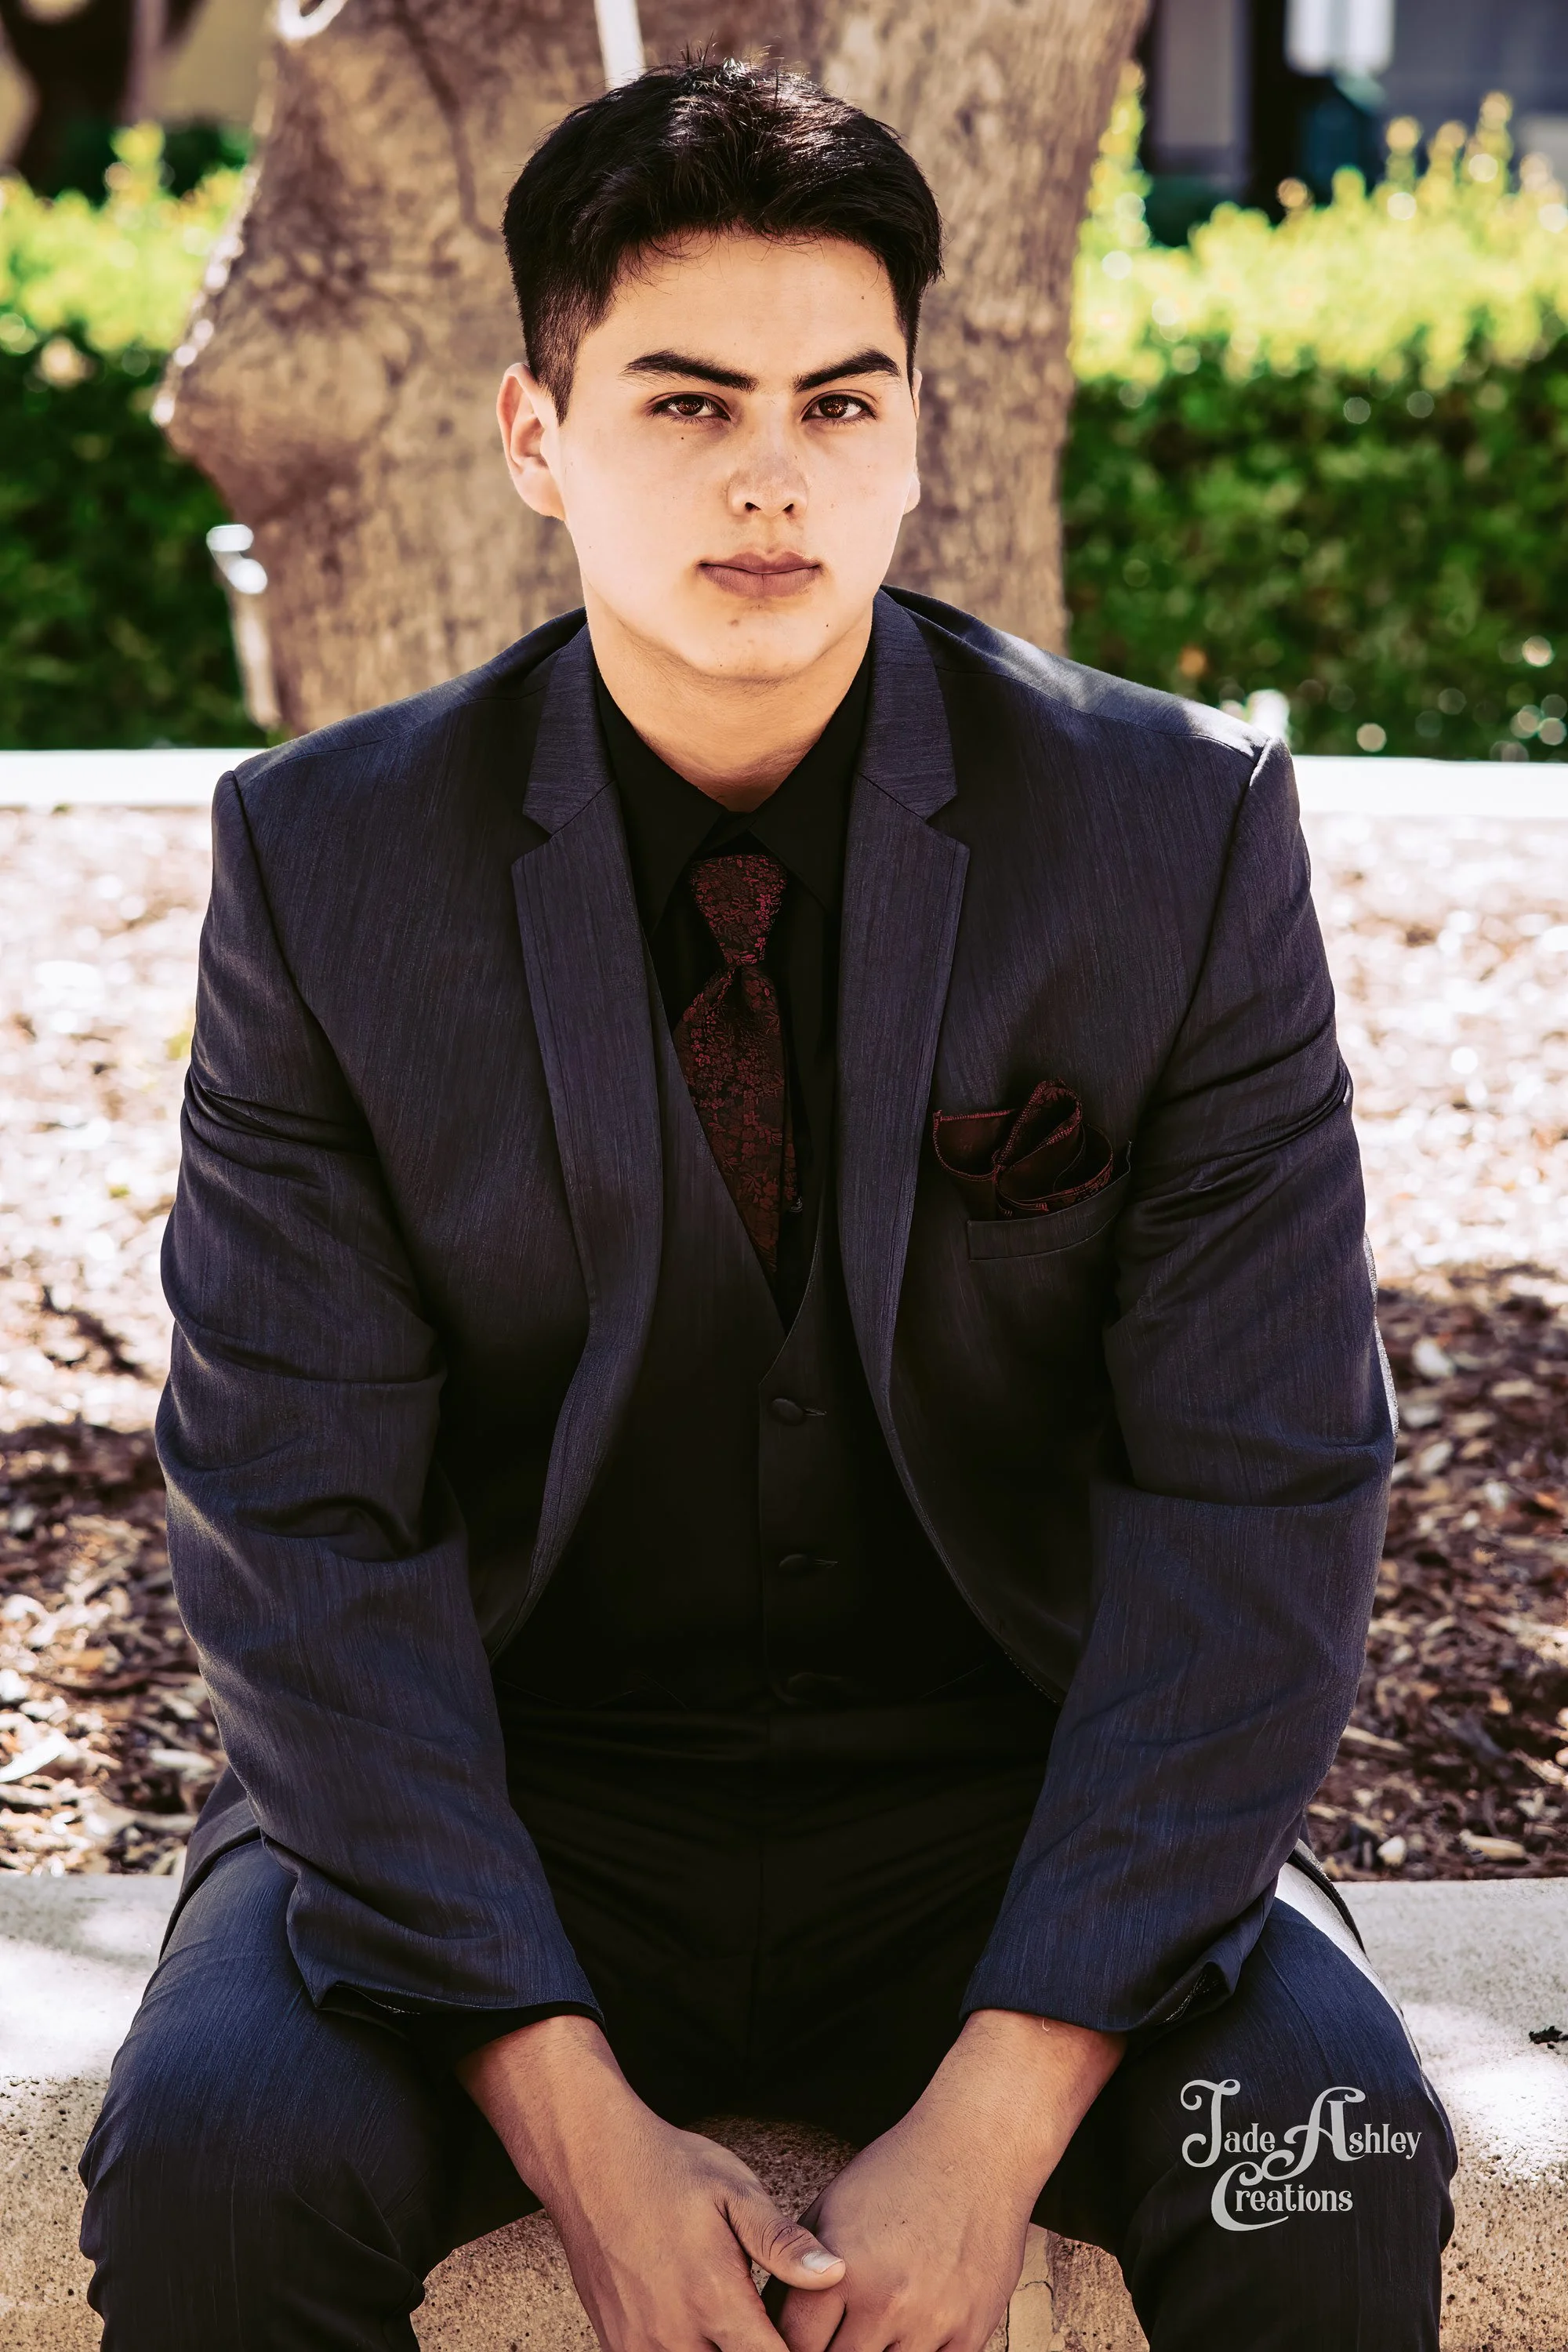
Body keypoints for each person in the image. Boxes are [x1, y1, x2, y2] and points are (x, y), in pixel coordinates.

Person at [81, 56, 1454, 2352]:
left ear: (918, 425)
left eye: (842, 404)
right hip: (511, 1793)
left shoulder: (1171, 834)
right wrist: (581, 2127)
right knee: (227, 2171)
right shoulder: (331, 865)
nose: (769, 476)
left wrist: (1005, 2103)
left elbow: (1266, 1488)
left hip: (1012, 1797)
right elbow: (294, 1525)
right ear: (539, 438)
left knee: (1326, 2166)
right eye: (686, 400)